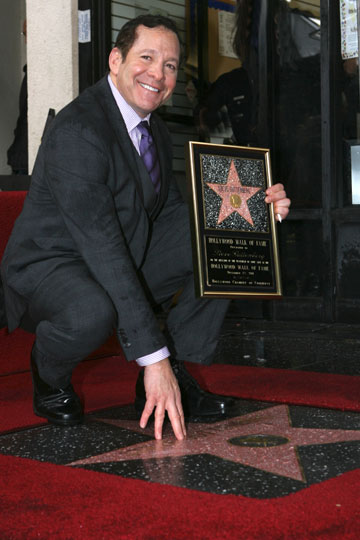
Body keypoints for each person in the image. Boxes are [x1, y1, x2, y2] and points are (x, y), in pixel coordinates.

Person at [0, 15, 290, 441]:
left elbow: (170, 216)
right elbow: (102, 247)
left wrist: (256, 212)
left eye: (170, 65)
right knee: (91, 310)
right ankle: (49, 373)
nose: (159, 73)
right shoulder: (80, 129)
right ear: (115, 60)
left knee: (226, 234)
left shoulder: (153, 128)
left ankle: (175, 369)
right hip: (52, 266)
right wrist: (150, 357)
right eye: (147, 57)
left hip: (118, 254)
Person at [7, 20, 28, 175]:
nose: (26, 39)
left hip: (24, 156)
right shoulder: (30, 73)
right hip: (21, 155)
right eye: (24, 34)